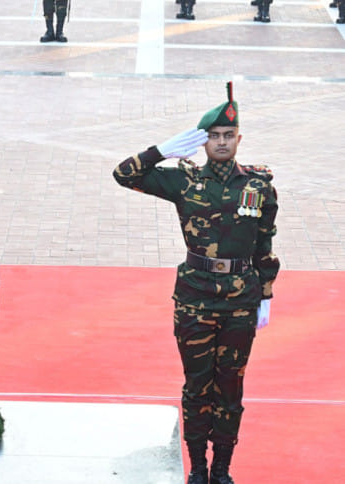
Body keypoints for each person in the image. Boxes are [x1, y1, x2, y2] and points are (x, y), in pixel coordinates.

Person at [113, 82, 279, 484]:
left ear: (239, 139)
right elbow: (123, 174)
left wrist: (266, 295)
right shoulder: (184, 181)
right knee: (197, 385)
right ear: (202, 141)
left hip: (240, 299)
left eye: (228, 135)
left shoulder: (258, 186)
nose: (221, 142)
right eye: (213, 136)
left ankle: (222, 469)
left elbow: (264, 244)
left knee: (230, 387)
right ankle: (198, 468)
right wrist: (161, 151)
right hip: (195, 298)